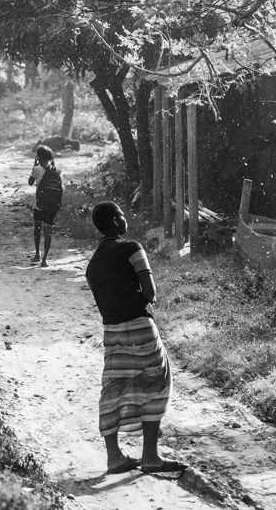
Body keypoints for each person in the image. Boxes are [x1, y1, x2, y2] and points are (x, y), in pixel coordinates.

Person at [85, 201, 183, 474]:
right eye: (122, 215)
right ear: (116, 222)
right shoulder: (132, 248)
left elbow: (105, 302)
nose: (125, 219)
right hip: (141, 328)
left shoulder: (92, 266)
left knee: (114, 389)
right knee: (155, 384)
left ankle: (114, 457)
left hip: (113, 334)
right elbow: (150, 293)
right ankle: (150, 456)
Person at [27, 145, 59, 267]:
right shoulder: (56, 170)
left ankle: (37, 254)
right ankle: (45, 260)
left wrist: (34, 165)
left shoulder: (36, 169)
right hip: (51, 205)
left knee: (37, 229)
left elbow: (30, 183)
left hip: (39, 204)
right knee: (48, 232)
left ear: (38, 157)